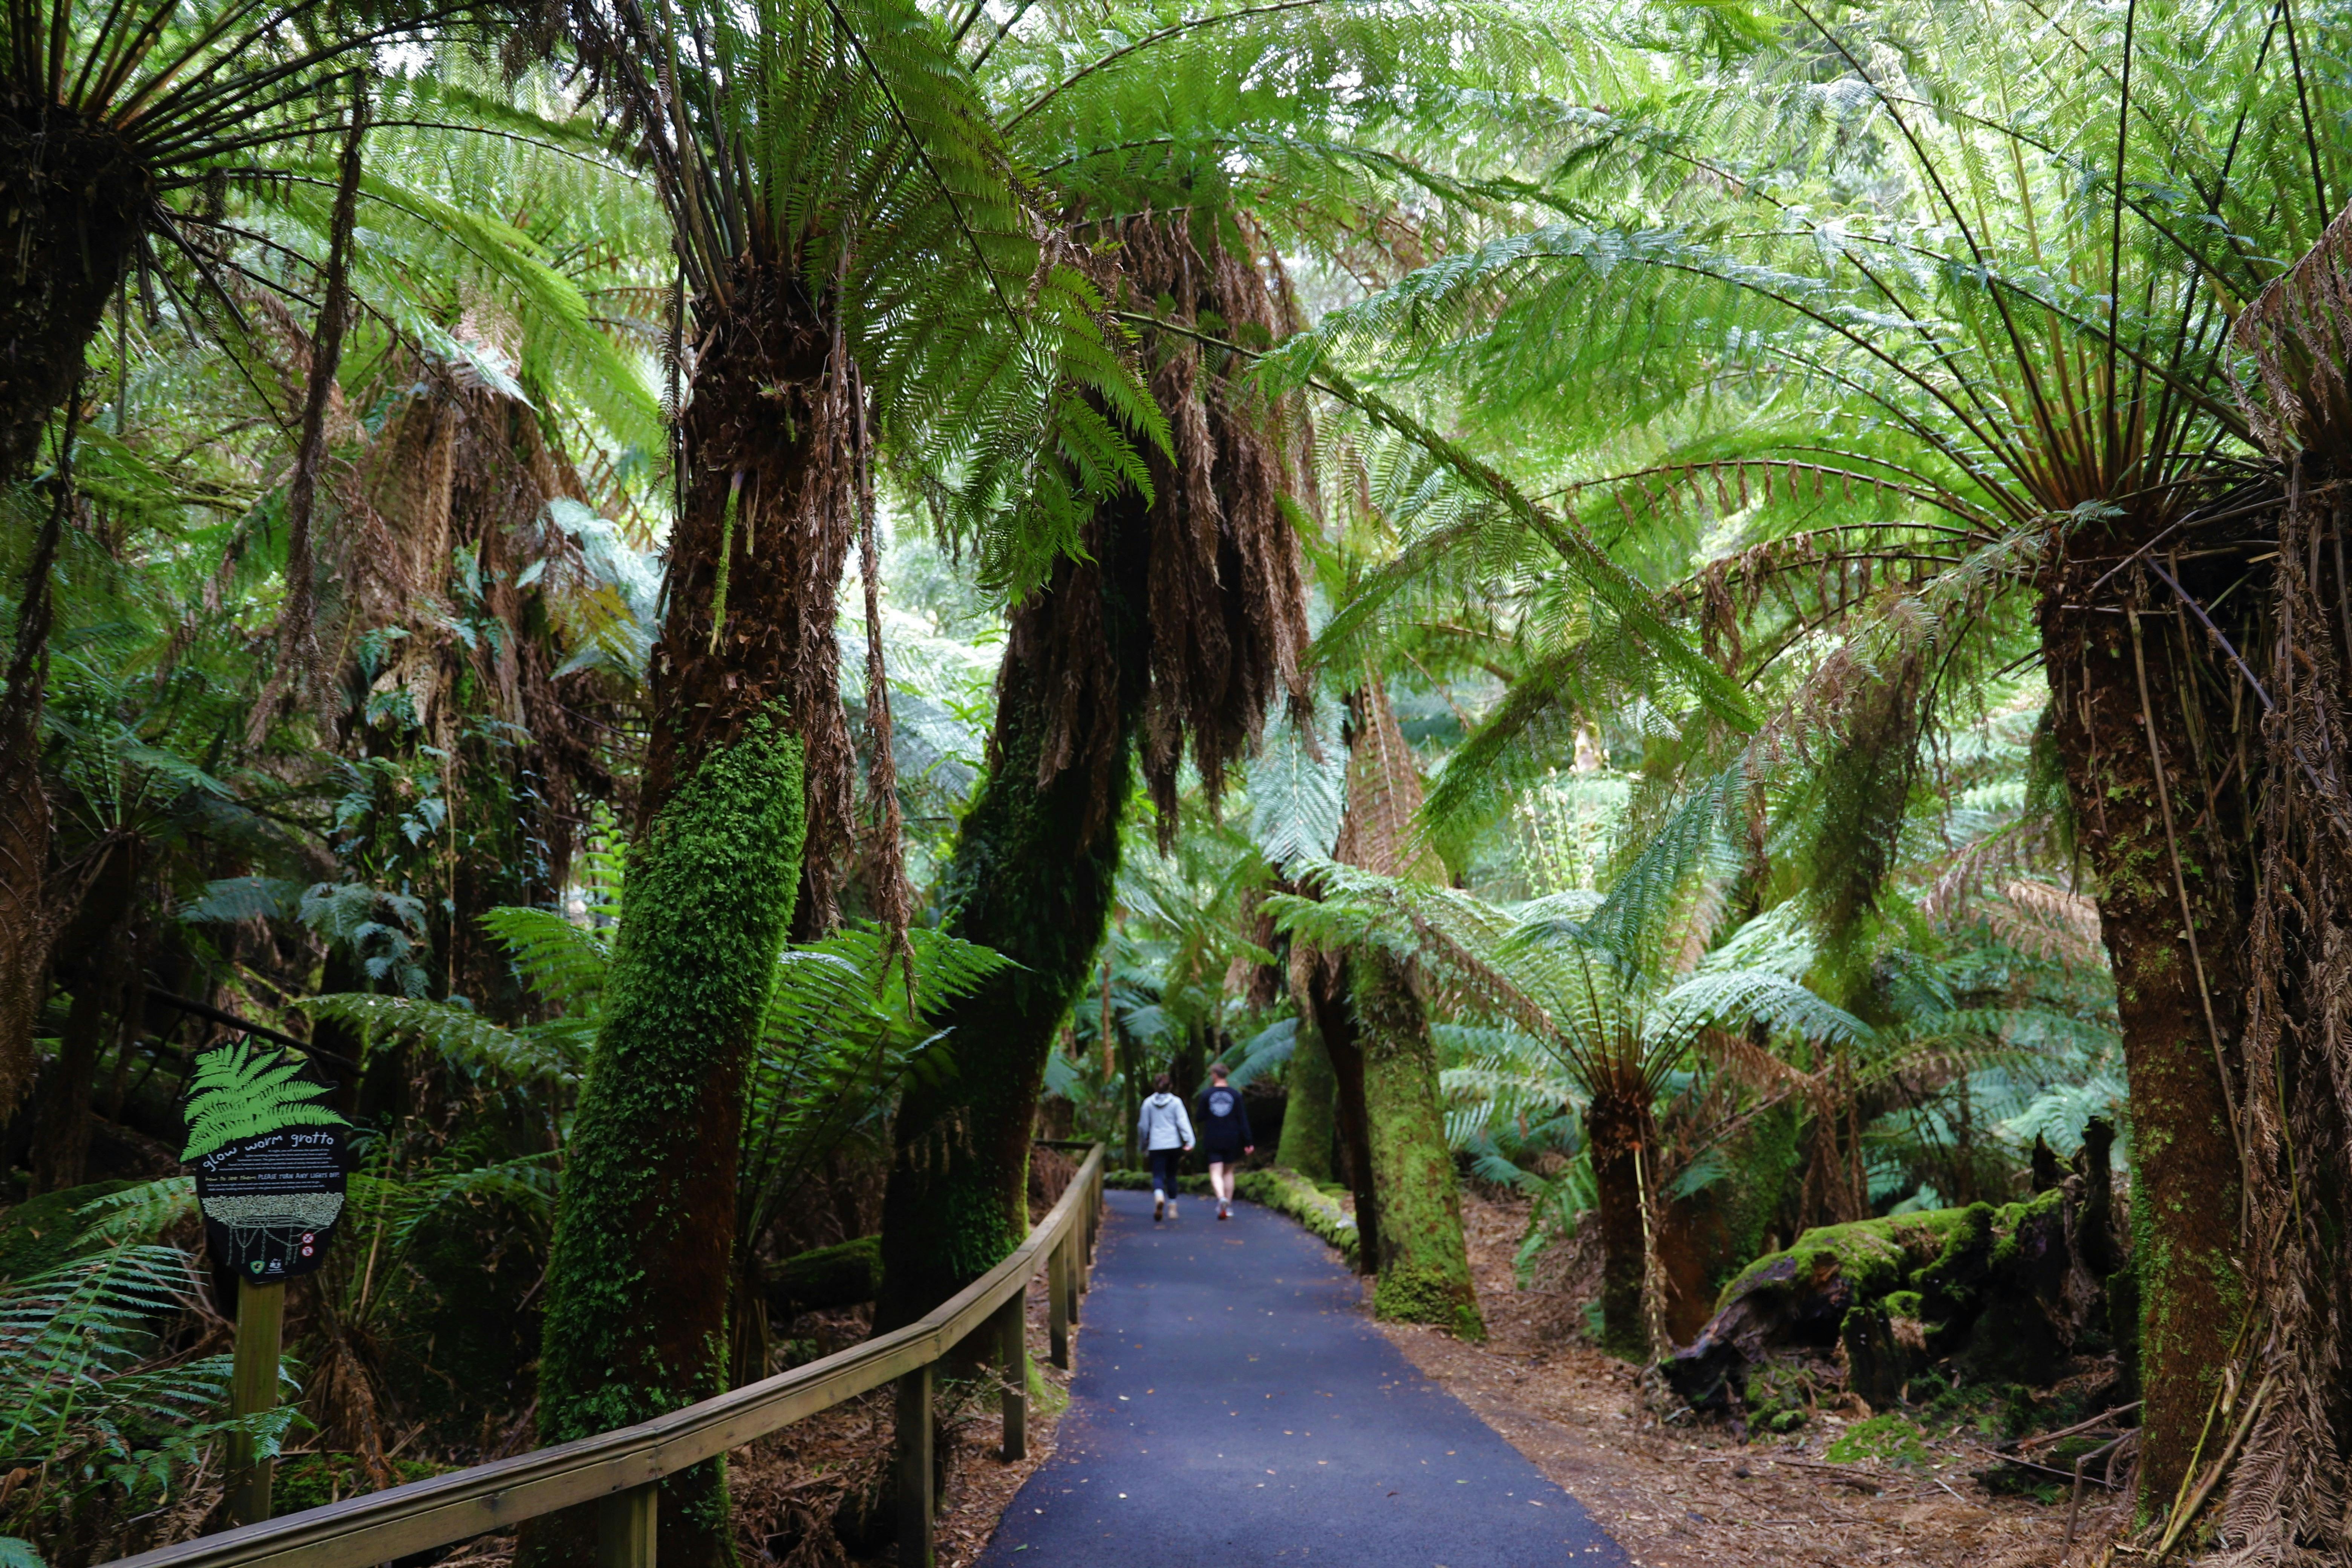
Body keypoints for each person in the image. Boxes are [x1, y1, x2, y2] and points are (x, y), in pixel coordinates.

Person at [1194, 1061, 1255, 1220]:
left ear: (1214, 1075)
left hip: (1213, 1136)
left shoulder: (1206, 1095)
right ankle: (1228, 1206)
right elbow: (1243, 1120)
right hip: (1232, 1137)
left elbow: (1199, 1117)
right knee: (1228, 1172)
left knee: (1216, 1171)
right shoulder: (1236, 1095)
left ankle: (1221, 1197)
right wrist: (1249, 1142)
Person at [1137, 1073, 1194, 1222]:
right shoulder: (1176, 1102)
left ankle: (1159, 1196)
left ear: (1155, 1086)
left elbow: (1143, 1127)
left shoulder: (1148, 1103)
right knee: (1172, 1175)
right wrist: (1190, 1141)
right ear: (1171, 1086)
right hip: (1174, 1144)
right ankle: (1173, 1208)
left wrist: (1143, 1145)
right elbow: (1183, 1122)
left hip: (1156, 1145)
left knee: (1158, 1175)